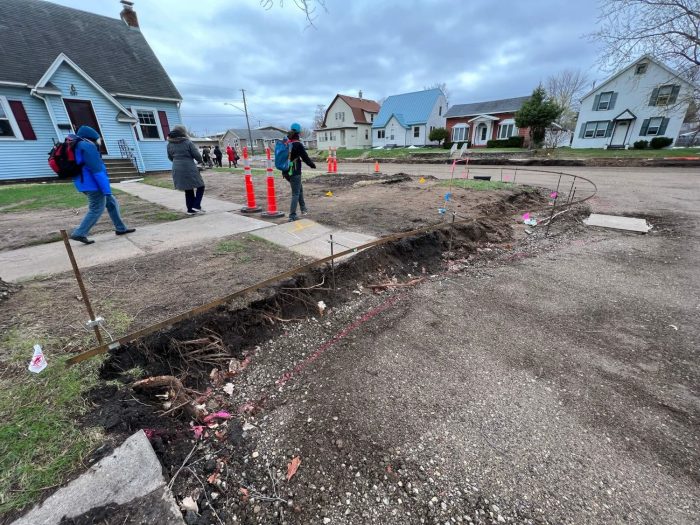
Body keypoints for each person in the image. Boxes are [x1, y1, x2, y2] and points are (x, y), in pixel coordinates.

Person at [69, 125, 135, 244]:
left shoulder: (77, 145)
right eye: (99, 138)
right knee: (96, 209)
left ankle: (121, 228)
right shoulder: (87, 146)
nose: (100, 141)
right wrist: (106, 189)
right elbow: (97, 170)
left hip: (85, 182)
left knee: (111, 203)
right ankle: (79, 233)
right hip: (93, 184)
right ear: (92, 137)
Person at [167, 125, 206, 215]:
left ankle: (190, 209)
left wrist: (177, 161)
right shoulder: (187, 142)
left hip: (176, 167)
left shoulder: (169, 144)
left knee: (188, 189)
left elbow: (169, 157)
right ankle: (196, 206)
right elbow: (196, 155)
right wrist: (201, 161)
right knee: (201, 186)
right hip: (189, 166)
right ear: (183, 132)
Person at [283, 122, 316, 222]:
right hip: (295, 172)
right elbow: (305, 158)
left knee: (299, 189)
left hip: (286, 172)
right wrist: (312, 165)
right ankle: (292, 215)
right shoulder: (298, 145)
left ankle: (303, 209)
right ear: (299, 133)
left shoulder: (286, 144)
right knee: (296, 193)